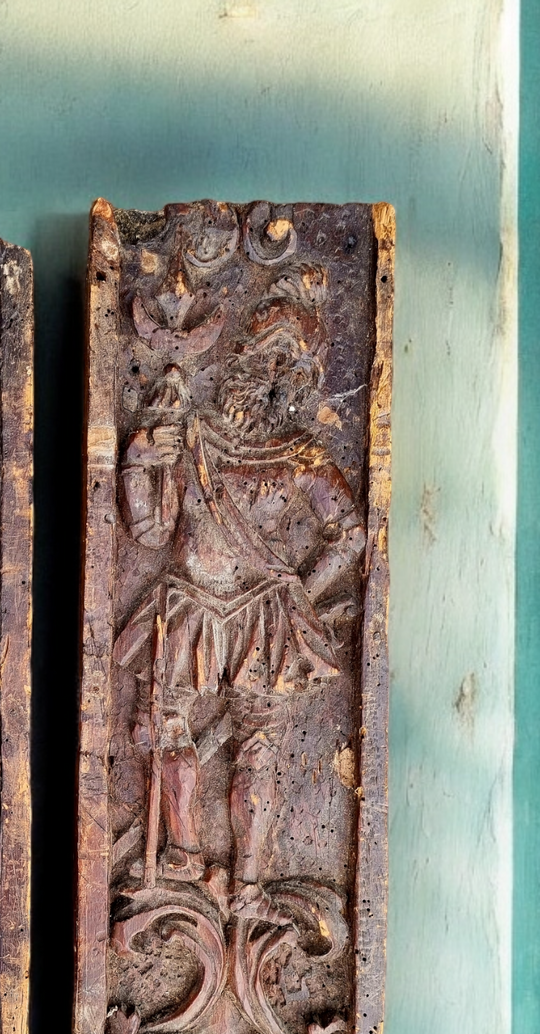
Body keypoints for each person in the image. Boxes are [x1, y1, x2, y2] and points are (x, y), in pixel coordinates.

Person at [114, 308, 363, 921]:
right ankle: (183, 854)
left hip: (261, 619)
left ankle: (249, 881)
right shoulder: (192, 440)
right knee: (160, 728)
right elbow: (149, 532)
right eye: (267, 358)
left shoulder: (301, 457)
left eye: (290, 365)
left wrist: (298, 592)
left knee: (256, 745)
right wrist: (139, 460)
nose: (275, 374)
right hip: (189, 606)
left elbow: (351, 533)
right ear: (241, 362)